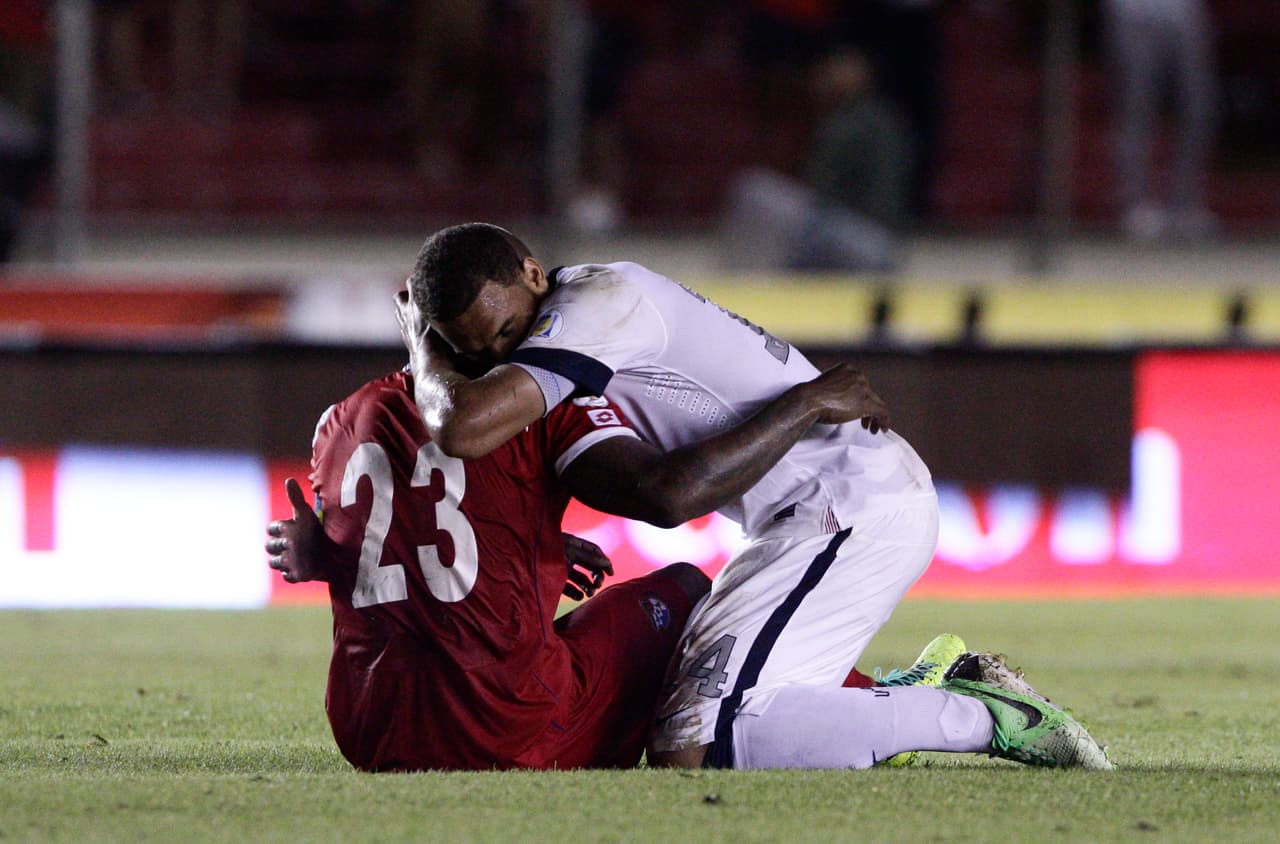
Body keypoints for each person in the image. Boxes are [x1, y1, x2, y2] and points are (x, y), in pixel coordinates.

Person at [397, 222, 1111, 770]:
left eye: (507, 334)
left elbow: (463, 427)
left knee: (703, 741)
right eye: (479, 353)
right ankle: (926, 682)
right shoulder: (578, 339)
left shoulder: (593, 306)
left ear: (532, 271)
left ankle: (981, 714)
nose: (498, 361)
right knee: (705, 726)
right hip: (804, 517)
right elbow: (641, 482)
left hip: (846, 506)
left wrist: (424, 348)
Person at [266, 349, 901, 770]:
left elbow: (413, 531)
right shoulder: (540, 403)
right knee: (686, 593)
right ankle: (865, 702)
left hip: (369, 731)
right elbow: (664, 494)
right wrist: (806, 402)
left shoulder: (340, 420)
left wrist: (324, 553)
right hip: (504, 729)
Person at [1104, 0, 1218, 240]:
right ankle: (1135, 206)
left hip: (1185, 15)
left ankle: (1185, 206)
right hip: (1134, 15)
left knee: (1198, 109)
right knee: (1136, 109)